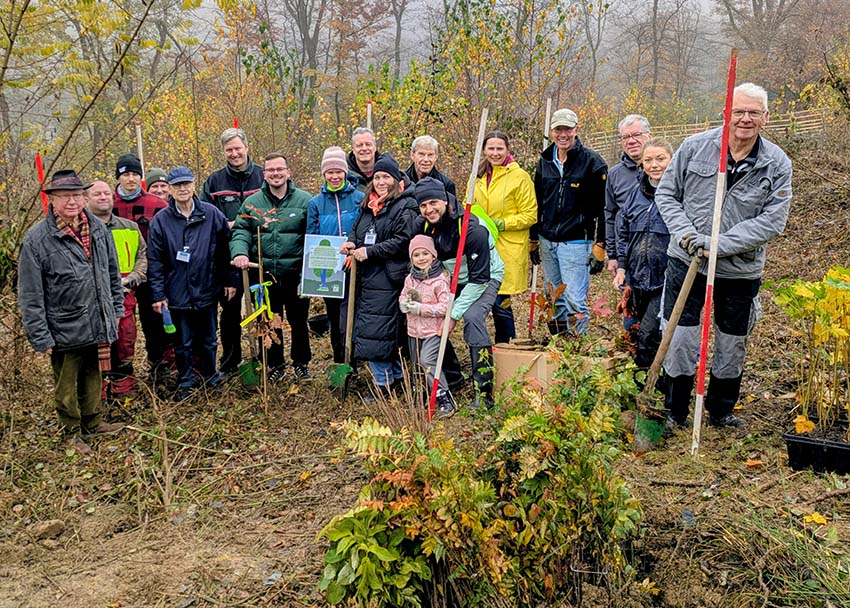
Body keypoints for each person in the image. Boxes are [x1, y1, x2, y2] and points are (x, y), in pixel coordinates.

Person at [656, 82, 793, 430]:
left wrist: (721, 244)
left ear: (765, 117)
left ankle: (720, 410)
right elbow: (667, 195)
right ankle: (675, 410)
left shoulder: (776, 163)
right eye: (738, 111)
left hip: (740, 268)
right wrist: (687, 234)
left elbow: (772, 221)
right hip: (687, 261)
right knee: (682, 336)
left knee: (732, 341)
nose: (745, 119)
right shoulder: (695, 147)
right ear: (726, 113)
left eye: (753, 113)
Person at [18, 170, 125, 454]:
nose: (72, 202)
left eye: (77, 195)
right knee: (66, 383)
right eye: (65, 197)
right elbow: (30, 293)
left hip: (97, 318)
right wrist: (40, 335)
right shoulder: (37, 240)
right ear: (52, 200)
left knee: (93, 374)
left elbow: (111, 272)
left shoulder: (98, 228)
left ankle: (93, 422)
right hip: (63, 325)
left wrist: (115, 307)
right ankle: (70, 432)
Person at [147, 167, 238, 400]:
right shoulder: (161, 221)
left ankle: (210, 376)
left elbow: (225, 249)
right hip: (177, 291)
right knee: (183, 341)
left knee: (209, 338)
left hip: (207, 287)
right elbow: (155, 261)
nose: (183, 189)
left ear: (193, 184)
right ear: (170, 189)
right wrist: (158, 294)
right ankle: (186, 379)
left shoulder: (211, 214)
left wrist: (229, 279)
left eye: (186, 184)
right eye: (177, 185)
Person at [416, 177, 504, 409]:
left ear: (445, 200)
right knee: (431, 316)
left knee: (473, 317)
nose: (429, 209)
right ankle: (450, 378)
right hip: (451, 279)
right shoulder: (425, 225)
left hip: (485, 277)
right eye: (423, 205)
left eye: (433, 202)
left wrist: (453, 315)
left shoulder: (471, 229)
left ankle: (484, 392)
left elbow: (480, 279)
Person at [340, 155, 419, 394]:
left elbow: (402, 241)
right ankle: (391, 380)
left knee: (379, 331)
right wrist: (351, 244)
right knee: (374, 330)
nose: (381, 182)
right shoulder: (369, 206)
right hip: (366, 277)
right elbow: (357, 231)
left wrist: (371, 252)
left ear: (396, 179)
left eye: (386, 177)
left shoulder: (406, 205)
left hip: (388, 278)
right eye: (377, 177)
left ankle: (384, 385)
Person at [231, 153, 313, 381]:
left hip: (295, 274)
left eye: (280, 169)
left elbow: (313, 233)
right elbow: (241, 230)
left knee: (298, 321)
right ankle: (274, 365)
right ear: (264, 174)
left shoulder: (305, 201)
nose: (276, 174)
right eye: (270, 170)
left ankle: (301, 363)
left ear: (288, 172)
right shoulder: (253, 203)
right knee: (267, 320)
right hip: (263, 274)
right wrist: (239, 252)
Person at [532, 108, 608, 335]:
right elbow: (538, 202)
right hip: (548, 240)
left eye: (568, 129)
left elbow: (604, 207)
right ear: (551, 132)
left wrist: (601, 243)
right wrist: (534, 237)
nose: (563, 134)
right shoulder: (545, 162)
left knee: (575, 298)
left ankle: (578, 347)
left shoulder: (592, 163)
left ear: (576, 129)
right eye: (558, 129)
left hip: (576, 241)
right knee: (554, 296)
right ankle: (559, 343)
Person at [200, 128, 264, 376]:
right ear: (224, 152)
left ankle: (265, 358)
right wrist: (225, 225)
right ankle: (230, 363)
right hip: (228, 260)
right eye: (229, 150)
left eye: (238, 148)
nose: (235, 153)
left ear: (247, 147)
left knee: (262, 309)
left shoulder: (263, 176)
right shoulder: (214, 182)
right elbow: (206, 220)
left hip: (260, 257)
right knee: (229, 315)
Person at [613, 139, 673, 371]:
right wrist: (621, 268)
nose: (654, 165)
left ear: (671, 160)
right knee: (634, 332)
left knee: (651, 333)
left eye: (660, 159)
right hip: (637, 278)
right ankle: (639, 380)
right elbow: (623, 233)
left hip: (666, 279)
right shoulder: (635, 195)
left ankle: (654, 386)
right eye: (648, 160)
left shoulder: (679, 193)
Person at [472, 131, 537, 344]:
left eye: (500, 148)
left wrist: (502, 223)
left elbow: (530, 214)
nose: (495, 152)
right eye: (491, 148)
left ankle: (506, 346)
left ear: (508, 150)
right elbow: (468, 206)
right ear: (484, 151)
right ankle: (483, 347)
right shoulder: (478, 175)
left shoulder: (520, 177)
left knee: (501, 301)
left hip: (507, 247)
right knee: (481, 299)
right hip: (481, 245)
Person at [87, 180, 147, 400]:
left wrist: (132, 278)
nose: (103, 197)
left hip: (124, 296)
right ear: (86, 199)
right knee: (97, 345)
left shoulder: (129, 227)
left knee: (125, 341)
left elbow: (142, 255)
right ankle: (97, 392)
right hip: (92, 300)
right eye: (97, 194)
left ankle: (124, 386)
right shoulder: (82, 229)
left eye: (106, 193)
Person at [111, 153, 170, 377]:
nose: (131, 179)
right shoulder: (108, 204)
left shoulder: (156, 205)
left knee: (154, 323)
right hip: (117, 278)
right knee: (121, 327)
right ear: (118, 177)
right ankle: (120, 373)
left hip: (149, 274)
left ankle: (159, 367)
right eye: (126, 174)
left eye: (135, 174)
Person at [307, 146, 364, 364]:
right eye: (329, 172)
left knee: (352, 315)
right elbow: (312, 237)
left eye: (338, 171)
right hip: (329, 270)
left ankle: (356, 358)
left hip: (355, 266)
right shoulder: (315, 203)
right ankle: (340, 360)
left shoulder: (359, 199)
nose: (334, 176)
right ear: (324, 174)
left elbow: (363, 228)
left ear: (345, 173)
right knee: (334, 317)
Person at [400, 235, 454, 417]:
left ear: (433, 255)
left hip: (433, 330)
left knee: (428, 361)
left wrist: (421, 308)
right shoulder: (410, 279)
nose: (421, 258)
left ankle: (443, 396)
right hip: (414, 330)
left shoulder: (439, 280)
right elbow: (403, 295)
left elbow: (445, 307)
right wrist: (404, 303)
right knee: (416, 364)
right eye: (416, 255)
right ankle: (419, 394)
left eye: (425, 254)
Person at [605, 115, 652, 277]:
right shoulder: (615, 174)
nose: (631, 141)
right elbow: (610, 215)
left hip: (659, 254)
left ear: (649, 136)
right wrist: (612, 255)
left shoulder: (666, 169)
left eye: (636, 135)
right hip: (627, 254)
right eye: (626, 137)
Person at [347, 127, 386, 193]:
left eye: (368, 144)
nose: (364, 148)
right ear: (353, 149)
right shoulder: (344, 176)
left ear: (375, 147)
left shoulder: (388, 171)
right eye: (359, 145)